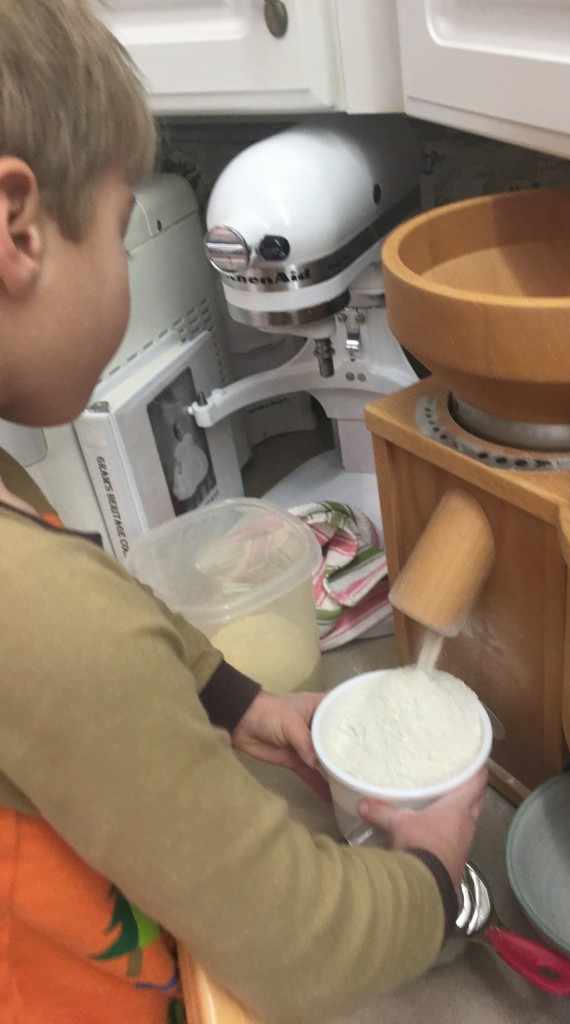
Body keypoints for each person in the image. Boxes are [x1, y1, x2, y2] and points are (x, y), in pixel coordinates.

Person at [0, 3, 487, 1023]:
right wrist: (437, 879)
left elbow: (88, 631)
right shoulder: (44, 622)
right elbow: (297, 944)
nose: (128, 265)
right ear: (16, 230)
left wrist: (235, 698)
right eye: (124, 226)